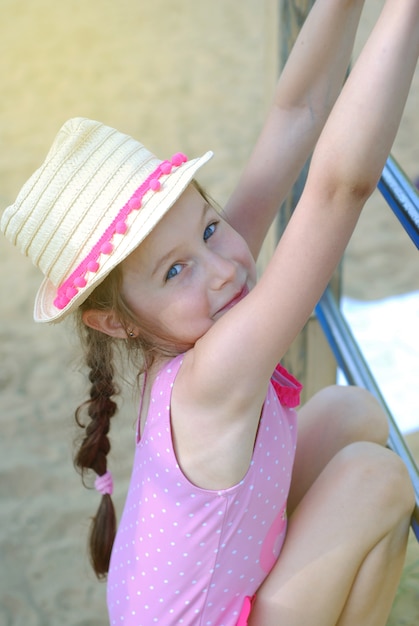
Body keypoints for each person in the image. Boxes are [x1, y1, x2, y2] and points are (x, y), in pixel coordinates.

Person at [1, 0, 418, 623]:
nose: (223, 266)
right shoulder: (215, 367)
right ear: (114, 321)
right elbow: (337, 191)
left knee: (350, 412)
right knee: (374, 479)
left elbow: (296, 115)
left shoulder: (184, 311)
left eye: (212, 226)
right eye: (176, 268)